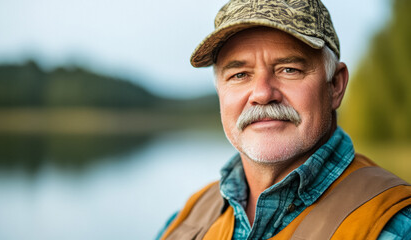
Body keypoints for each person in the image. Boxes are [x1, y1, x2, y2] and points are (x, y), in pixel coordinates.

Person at [158, 0, 411, 239]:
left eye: (289, 69)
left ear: (335, 85)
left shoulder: (398, 224)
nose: (262, 93)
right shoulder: (184, 218)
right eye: (239, 74)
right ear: (220, 92)